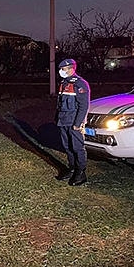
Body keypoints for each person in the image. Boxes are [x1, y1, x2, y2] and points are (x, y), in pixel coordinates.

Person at [54, 58, 91, 186]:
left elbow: (83, 105)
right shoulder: (64, 83)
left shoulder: (80, 84)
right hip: (63, 121)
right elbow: (60, 104)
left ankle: (81, 174)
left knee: (77, 148)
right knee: (67, 147)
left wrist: (78, 123)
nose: (61, 71)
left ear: (71, 69)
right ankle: (72, 169)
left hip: (73, 121)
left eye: (63, 69)